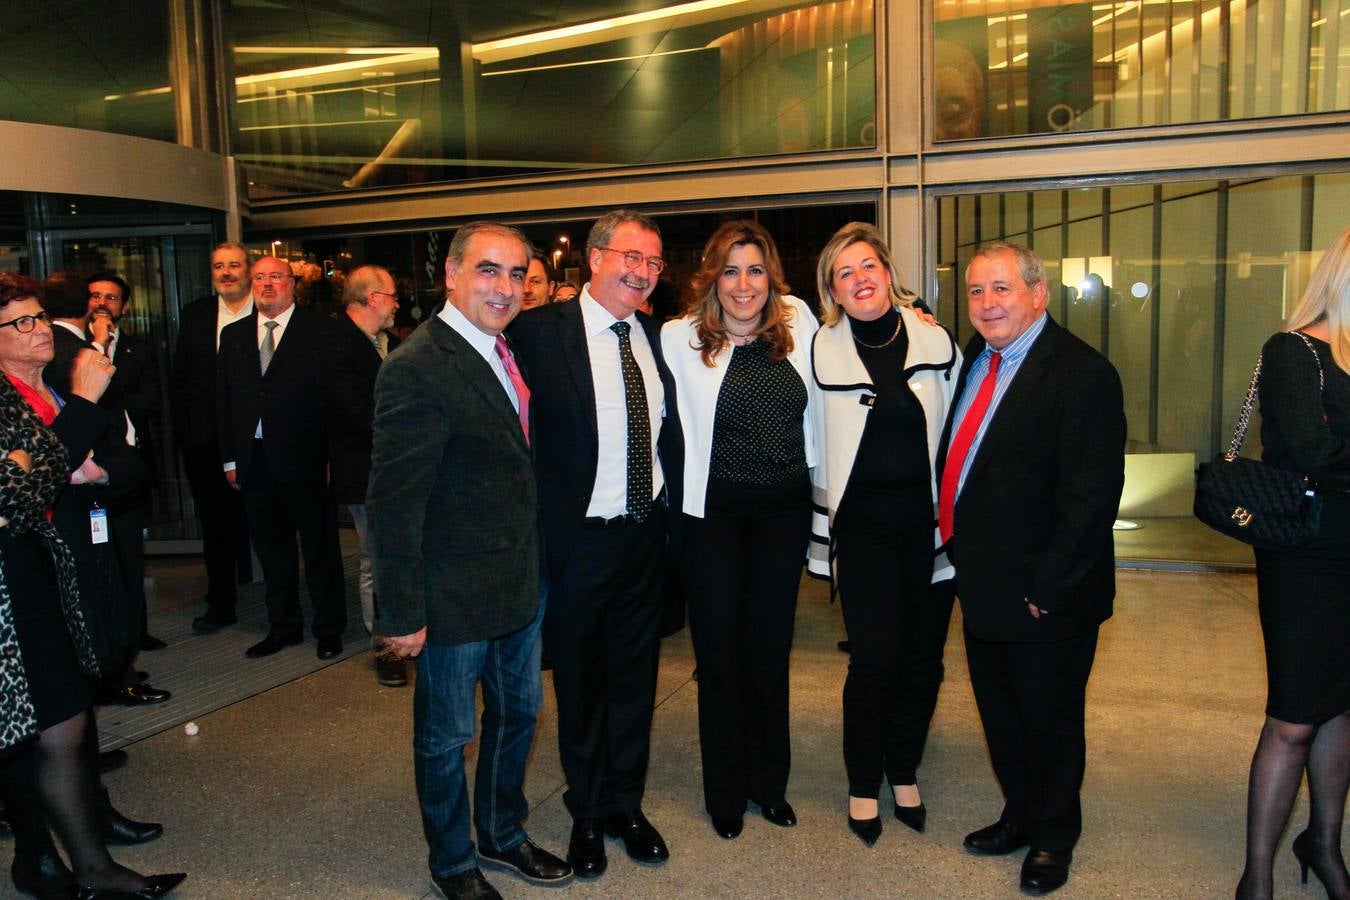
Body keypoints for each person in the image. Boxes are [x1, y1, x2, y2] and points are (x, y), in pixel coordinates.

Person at [369, 222, 572, 900]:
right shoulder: (418, 365)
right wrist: (401, 613)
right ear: (452, 274)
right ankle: (453, 863)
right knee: (446, 736)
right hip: (451, 595)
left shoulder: (502, 350)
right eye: (489, 270)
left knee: (519, 715)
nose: (506, 287)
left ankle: (501, 833)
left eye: (517, 274)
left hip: (519, 581)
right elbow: (395, 503)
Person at [937, 241, 1125, 895]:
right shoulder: (976, 358)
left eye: (1001, 289)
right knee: (1001, 714)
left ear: (1039, 294)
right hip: (984, 578)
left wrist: (1050, 590)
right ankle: (1018, 815)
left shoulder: (1082, 375)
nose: (986, 303)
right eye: (977, 291)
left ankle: (1053, 837)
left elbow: (1091, 499)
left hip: (1046, 593)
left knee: (1049, 720)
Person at [0, 272, 185, 898]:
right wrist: (75, 416)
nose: (39, 330)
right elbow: (18, 495)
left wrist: (70, 459)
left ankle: (78, 859)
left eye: (39, 317)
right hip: (13, 582)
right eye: (20, 323)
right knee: (37, 725)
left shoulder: (50, 384)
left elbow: (103, 461)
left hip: (62, 565)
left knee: (62, 719)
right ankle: (48, 859)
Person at [509, 209, 683, 879]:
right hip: (577, 543)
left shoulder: (656, 338)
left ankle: (625, 806)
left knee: (635, 683)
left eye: (653, 264)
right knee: (580, 685)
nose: (642, 273)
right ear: (596, 257)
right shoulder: (536, 334)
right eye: (631, 258)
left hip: (644, 538)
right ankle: (586, 812)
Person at [660, 220, 819, 839]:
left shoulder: (799, 325)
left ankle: (768, 786)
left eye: (755, 270)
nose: (743, 284)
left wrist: (921, 320)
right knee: (721, 656)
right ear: (712, 278)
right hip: (713, 519)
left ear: (771, 277)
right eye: (731, 270)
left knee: (770, 652)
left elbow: (863, 326)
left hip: (782, 516)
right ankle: (725, 793)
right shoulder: (679, 337)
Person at [807, 222, 962, 847]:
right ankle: (863, 781)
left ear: (888, 273)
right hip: (864, 531)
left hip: (926, 529)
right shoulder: (816, 349)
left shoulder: (934, 338)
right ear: (833, 292)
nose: (860, 279)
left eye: (867, 265)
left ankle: (904, 769)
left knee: (924, 661)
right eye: (845, 273)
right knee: (875, 660)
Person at [1236, 225, 1350, 900]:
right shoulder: (1293, 350)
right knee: (1294, 717)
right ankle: (1256, 874)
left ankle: (1324, 845)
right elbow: (1311, 451)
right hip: (1305, 558)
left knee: (1343, 708)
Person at [217, 255, 346, 660]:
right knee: (271, 550)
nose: (267, 284)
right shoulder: (234, 335)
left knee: (320, 547)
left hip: (307, 458)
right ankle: (283, 627)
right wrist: (229, 459)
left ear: (292, 284)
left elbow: (334, 402)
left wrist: (332, 457)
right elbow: (224, 401)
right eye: (260, 278)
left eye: (276, 277)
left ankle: (328, 628)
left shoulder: (321, 330)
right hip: (254, 460)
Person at [314, 264, 404, 687]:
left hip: (394, 471)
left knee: (395, 557)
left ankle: (403, 634)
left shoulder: (384, 342)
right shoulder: (336, 344)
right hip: (366, 473)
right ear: (372, 298)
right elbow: (357, 412)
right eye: (391, 296)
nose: (397, 305)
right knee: (377, 560)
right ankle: (385, 648)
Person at [170, 242, 253, 634]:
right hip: (206, 442)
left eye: (234, 265)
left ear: (248, 270)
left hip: (257, 438)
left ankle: (283, 607)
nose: (226, 272)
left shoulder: (266, 311)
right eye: (219, 266)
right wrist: (188, 435)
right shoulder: (196, 314)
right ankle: (221, 603)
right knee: (217, 526)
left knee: (268, 522)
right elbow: (181, 379)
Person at [85, 271, 165, 655]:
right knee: (100, 555)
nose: (102, 303)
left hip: (129, 463)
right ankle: (107, 636)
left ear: (125, 307)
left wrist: (110, 391)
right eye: (96, 296)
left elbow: (150, 401)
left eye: (111, 298)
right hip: (89, 470)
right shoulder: (74, 349)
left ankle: (137, 630)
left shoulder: (139, 349)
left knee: (132, 551)